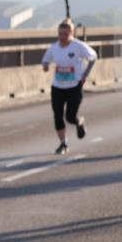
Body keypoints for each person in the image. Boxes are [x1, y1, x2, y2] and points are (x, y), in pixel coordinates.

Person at [42, 19, 97, 154]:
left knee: (70, 117)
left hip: (74, 87)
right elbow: (45, 59)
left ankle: (79, 122)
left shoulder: (78, 46)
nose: (62, 37)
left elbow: (93, 57)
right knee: (58, 116)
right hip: (58, 87)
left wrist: (85, 75)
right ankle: (63, 143)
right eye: (60, 34)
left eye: (65, 34)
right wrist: (45, 65)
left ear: (72, 34)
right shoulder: (54, 47)